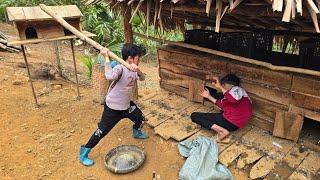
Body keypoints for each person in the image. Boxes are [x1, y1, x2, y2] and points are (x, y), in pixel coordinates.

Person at [79, 43, 148, 166]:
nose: (139, 60)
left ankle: (136, 131)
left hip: (126, 106)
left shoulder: (133, 69)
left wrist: (138, 70)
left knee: (140, 118)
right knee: (101, 131)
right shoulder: (120, 68)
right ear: (130, 58)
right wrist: (106, 57)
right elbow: (109, 76)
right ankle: (84, 151)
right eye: (138, 58)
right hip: (113, 108)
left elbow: (142, 78)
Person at [191, 74, 252, 141]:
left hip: (232, 121)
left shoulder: (237, 89)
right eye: (222, 84)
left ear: (232, 84)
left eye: (224, 84)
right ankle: (220, 129)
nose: (223, 86)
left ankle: (222, 131)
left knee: (194, 116)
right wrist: (208, 96)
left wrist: (219, 86)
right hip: (233, 125)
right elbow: (221, 105)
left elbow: (233, 100)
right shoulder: (227, 96)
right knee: (206, 116)